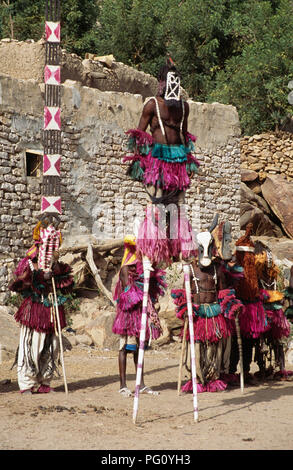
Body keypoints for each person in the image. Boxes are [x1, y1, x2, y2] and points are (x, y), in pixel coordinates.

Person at [124, 58, 200, 266]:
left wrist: (189, 161)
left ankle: (178, 251)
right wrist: (141, 161)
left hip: (178, 161)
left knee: (179, 207)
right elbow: (139, 135)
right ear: (161, 82)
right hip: (157, 163)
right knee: (155, 206)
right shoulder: (152, 105)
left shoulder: (184, 107)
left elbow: (183, 135)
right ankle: (154, 253)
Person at [172, 219, 243, 393]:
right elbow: (185, 292)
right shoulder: (191, 269)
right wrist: (184, 308)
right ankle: (197, 377)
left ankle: (213, 377)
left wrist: (232, 306)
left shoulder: (217, 269)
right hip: (197, 314)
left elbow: (223, 292)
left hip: (214, 313)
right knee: (196, 346)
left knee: (215, 348)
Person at [8, 222, 74, 394]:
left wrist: (56, 274)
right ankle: (27, 383)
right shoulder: (29, 265)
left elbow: (66, 285)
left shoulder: (56, 265)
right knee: (32, 346)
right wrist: (39, 277)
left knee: (51, 346)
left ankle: (45, 381)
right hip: (35, 310)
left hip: (52, 310)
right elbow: (19, 284)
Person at [112, 235, 166, 396]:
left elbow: (150, 291)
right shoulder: (125, 269)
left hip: (141, 313)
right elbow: (130, 292)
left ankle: (140, 383)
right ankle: (123, 385)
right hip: (128, 315)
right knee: (124, 348)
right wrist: (143, 277)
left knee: (139, 348)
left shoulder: (144, 269)